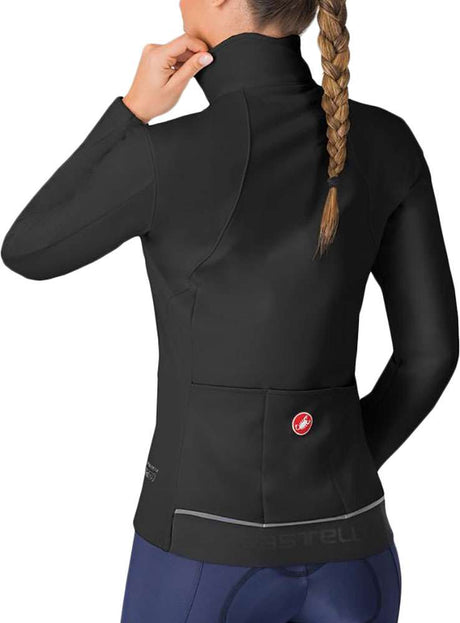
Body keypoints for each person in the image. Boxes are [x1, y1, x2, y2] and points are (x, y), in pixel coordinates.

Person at [2, 0, 458, 621]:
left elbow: (28, 249)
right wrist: (338, 466)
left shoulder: (168, 154)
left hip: (201, 554)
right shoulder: (388, 142)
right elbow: (431, 353)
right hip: (355, 554)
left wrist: (131, 113)